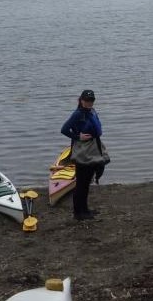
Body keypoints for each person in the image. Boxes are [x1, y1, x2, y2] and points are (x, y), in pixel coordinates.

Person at [61, 89, 103, 221]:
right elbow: (64, 129)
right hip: (82, 151)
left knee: (87, 181)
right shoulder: (78, 114)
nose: (89, 102)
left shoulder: (92, 111)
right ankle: (78, 213)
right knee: (81, 183)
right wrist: (78, 136)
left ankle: (85, 209)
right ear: (81, 100)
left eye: (91, 100)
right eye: (86, 100)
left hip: (92, 149)